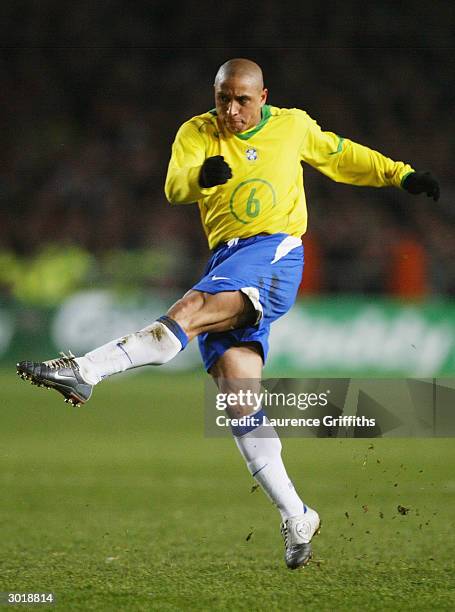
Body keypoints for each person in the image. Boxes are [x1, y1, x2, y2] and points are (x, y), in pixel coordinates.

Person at [17, 58, 440, 570]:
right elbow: (175, 186)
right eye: (223, 99)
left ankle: (87, 370)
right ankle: (297, 513)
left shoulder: (292, 126)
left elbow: (341, 156)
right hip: (227, 259)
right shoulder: (196, 132)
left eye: (242, 100)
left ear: (263, 97)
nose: (232, 110)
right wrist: (201, 176)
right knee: (240, 399)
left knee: (189, 309)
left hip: (276, 251)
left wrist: (402, 174)